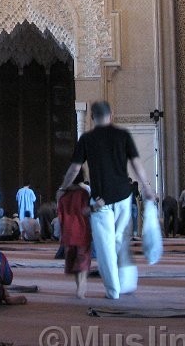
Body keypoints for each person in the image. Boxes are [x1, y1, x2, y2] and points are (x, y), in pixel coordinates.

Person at [59, 101, 155, 300]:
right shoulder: (123, 135)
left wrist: (63, 187)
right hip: (122, 196)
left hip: (100, 201)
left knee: (105, 248)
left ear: (91, 117)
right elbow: (137, 164)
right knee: (120, 241)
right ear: (111, 114)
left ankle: (113, 291)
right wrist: (146, 187)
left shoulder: (87, 139)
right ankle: (124, 281)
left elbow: (75, 169)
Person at [57, 177, 92, 298]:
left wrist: (62, 234)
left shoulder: (63, 196)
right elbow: (87, 211)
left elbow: (60, 217)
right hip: (82, 231)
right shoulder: (84, 193)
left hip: (68, 232)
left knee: (74, 262)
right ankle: (82, 288)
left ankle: (78, 287)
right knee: (83, 261)